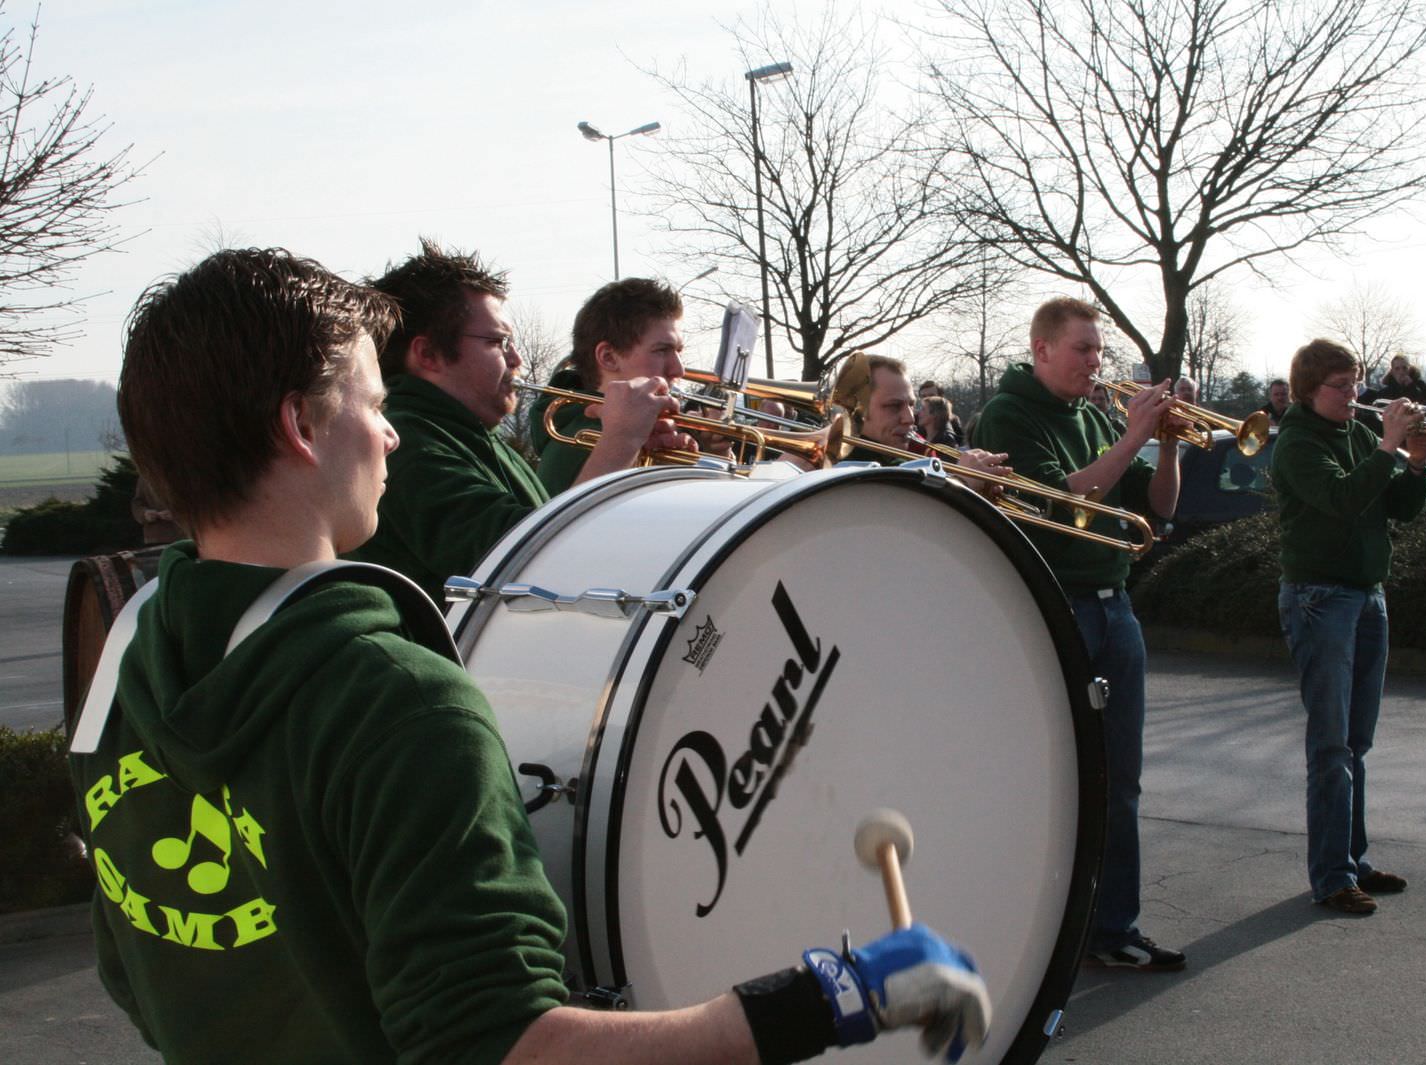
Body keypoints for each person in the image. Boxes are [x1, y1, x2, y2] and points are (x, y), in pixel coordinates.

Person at [76, 246, 991, 1065]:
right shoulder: (400, 702)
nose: (391, 435)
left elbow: (136, 980)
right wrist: (834, 998)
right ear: (301, 426)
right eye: (376, 406)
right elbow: (509, 1048)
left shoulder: (123, 663)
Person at [972, 297, 1188, 972]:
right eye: (1082, 349)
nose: (1096, 361)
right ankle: (1038, 937)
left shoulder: (1095, 414)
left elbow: (1160, 505)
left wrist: (1167, 441)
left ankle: (1114, 927)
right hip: (1057, 604)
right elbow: (1056, 505)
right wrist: (1132, 437)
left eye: (1098, 349)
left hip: (1115, 605)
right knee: (1054, 778)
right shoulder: (1009, 414)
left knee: (1121, 778)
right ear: (1041, 350)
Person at [347, 242, 682, 603]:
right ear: (428, 354)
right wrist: (620, 441)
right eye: (498, 342)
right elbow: (532, 566)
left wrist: (637, 460)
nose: (516, 359)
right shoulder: (407, 444)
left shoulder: (468, 434)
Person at [1271, 338, 1426, 915]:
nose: (1353, 395)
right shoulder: (1296, 443)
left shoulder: (1358, 434)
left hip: (1367, 595)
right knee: (1331, 745)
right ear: (1308, 390)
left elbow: (1399, 508)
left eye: (1356, 384)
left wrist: (1415, 463)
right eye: (1340, 387)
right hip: (1319, 598)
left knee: (1356, 742)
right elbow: (1342, 499)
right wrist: (1389, 446)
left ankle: (1352, 860)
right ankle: (1331, 876)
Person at [530, 277, 695, 494]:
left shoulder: (616, 433)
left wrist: (711, 456)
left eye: (678, 351)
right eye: (661, 350)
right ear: (608, 357)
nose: (679, 370)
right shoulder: (589, 440)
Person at [834, 354, 1010, 489]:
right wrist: (962, 483)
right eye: (894, 406)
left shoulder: (899, 461)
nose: (910, 418)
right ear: (856, 410)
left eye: (911, 405)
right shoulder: (841, 472)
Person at [918, 379, 965, 445]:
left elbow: (959, 445)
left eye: (931, 395)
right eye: (923, 396)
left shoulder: (952, 421)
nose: (927, 398)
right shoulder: (914, 419)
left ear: (941, 397)